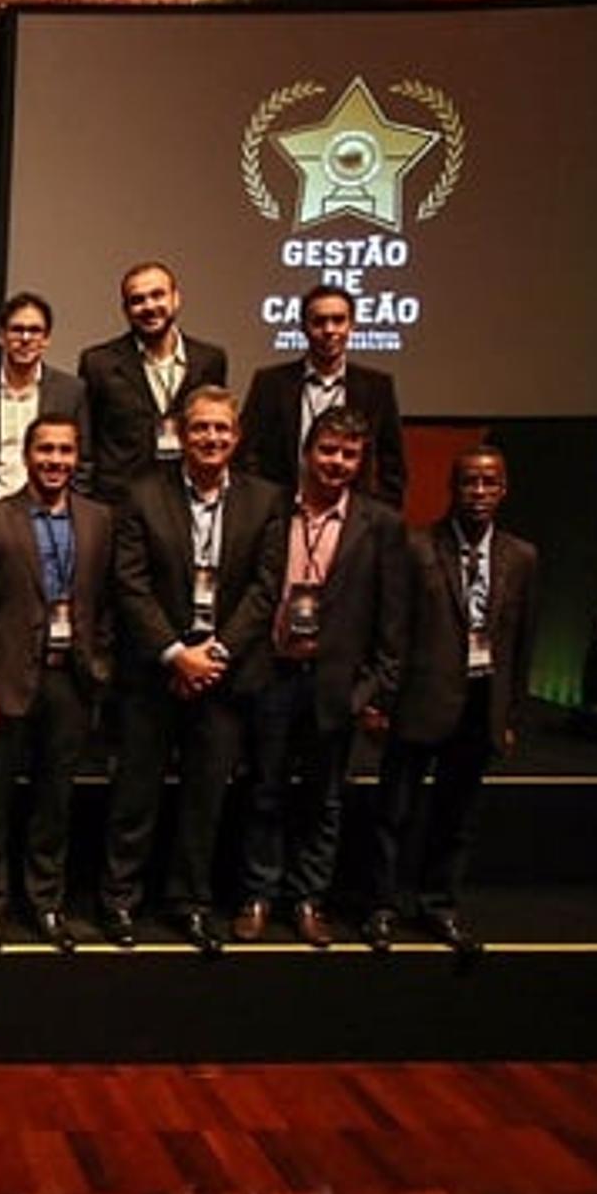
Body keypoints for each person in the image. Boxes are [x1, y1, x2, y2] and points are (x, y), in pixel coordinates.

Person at [102, 386, 283, 953]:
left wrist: (218, 652)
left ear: (237, 436)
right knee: (135, 793)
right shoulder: (141, 494)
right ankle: (120, 901)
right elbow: (129, 584)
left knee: (206, 797)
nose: (211, 439)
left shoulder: (265, 500)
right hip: (155, 671)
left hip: (225, 674)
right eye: (200, 428)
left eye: (221, 430)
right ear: (180, 434)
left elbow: (265, 586)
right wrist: (177, 654)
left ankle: (189, 903)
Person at [232, 406, 405, 948]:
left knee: (325, 799)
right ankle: (258, 894)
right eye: (327, 451)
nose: (337, 462)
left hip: (336, 683)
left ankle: (308, 900)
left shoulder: (382, 525)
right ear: (308, 453)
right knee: (264, 789)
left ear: (361, 462)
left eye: (349, 454)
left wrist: (368, 692)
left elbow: (392, 620)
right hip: (272, 672)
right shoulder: (270, 508)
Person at [368, 444, 537, 955]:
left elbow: (523, 640)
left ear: (504, 489)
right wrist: (382, 700)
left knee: (457, 816)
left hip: (482, 702)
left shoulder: (521, 556)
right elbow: (392, 630)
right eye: (469, 482)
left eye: (489, 483)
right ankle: (382, 906)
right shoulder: (418, 547)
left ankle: (439, 904)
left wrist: (510, 713)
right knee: (393, 811)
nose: (479, 493)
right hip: (420, 700)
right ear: (453, 488)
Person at [0, 414, 112, 953]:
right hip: (6, 681)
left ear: (77, 457)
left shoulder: (99, 520)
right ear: (27, 456)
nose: (55, 461)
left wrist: (102, 667)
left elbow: (110, 605)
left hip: (72, 680)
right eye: (45, 450)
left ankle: (45, 903)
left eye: (65, 451)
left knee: (55, 800)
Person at [238, 284, 407, 508]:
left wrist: (377, 518)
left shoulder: (377, 387)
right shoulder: (271, 383)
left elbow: (392, 465)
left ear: (352, 325)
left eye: (338, 320)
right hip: (281, 514)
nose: (329, 330)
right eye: (319, 321)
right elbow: (248, 454)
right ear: (303, 327)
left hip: (354, 522)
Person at [78, 262, 229, 504]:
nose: (149, 306)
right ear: (126, 310)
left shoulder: (209, 360)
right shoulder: (99, 363)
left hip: (186, 501)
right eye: (137, 300)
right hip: (119, 503)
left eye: (157, 295)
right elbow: (87, 442)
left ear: (176, 298)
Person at [0, 292, 87, 507]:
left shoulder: (71, 392)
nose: (26, 338)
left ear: (46, 339)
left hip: (50, 514)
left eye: (35, 330)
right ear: (1, 336)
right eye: (17, 329)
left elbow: (83, 465)